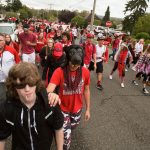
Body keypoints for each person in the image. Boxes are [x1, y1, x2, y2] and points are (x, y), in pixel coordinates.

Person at [0, 62, 64, 150]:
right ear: (14, 86)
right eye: (21, 85)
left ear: (36, 82)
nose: (27, 89)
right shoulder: (7, 108)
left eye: (31, 83)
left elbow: (58, 128)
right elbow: (2, 137)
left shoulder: (50, 103)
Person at [47, 45, 90, 150]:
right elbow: (49, 89)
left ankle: (61, 132)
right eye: (72, 64)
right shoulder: (59, 71)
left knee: (72, 127)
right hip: (62, 109)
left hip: (77, 109)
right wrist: (51, 94)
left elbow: (86, 90)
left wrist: (88, 109)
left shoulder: (85, 72)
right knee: (66, 137)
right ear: (68, 60)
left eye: (76, 65)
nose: (73, 67)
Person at [0, 33, 20, 103]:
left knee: (11, 97)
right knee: (2, 99)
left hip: (10, 79)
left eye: (0, 40)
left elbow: (18, 64)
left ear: (5, 41)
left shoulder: (11, 50)